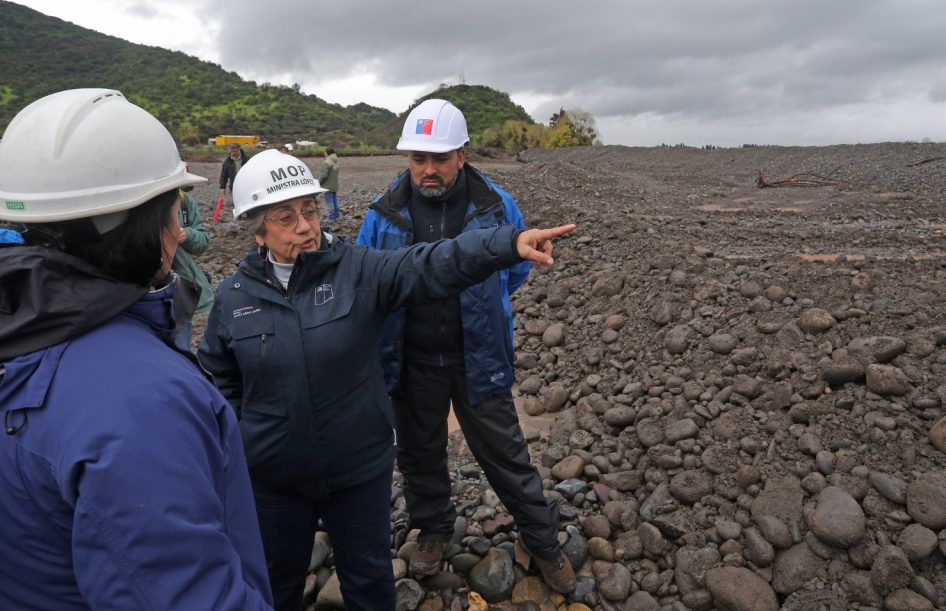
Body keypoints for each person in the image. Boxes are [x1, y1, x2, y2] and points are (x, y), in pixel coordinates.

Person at [197, 148, 573, 610]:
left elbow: (431, 262)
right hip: (275, 483)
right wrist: (248, 440)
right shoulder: (234, 297)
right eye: (285, 217)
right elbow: (219, 378)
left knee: (371, 585)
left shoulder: (358, 269)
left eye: (310, 210)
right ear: (257, 226)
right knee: (276, 585)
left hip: (357, 474)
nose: (306, 226)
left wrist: (504, 245)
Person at [0, 88, 273, 609]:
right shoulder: (144, 403)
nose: (178, 229)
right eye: (171, 209)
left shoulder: (21, 330)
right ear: (143, 225)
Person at [355, 99, 577, 593]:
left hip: (478, 356)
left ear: (463, 153)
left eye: (440, 158)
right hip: (410, 362)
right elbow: (369, 278)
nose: (428, 169)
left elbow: (515, 272)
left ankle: (543, 540)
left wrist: (481, 309)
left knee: (507, 454)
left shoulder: (497, 206)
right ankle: (434, 528)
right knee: (418, 454)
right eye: (418, 158)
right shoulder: (382, 214)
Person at [171, 184, 215, 351]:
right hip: (145, 292)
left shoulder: (183, 200)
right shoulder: (134, 200)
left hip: (181, 289)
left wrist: (187, 234)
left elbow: (202, 242)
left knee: (181, 350)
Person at [319, 147, 340, 222]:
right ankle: (337, 216)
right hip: (335, 184)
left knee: (330, 201)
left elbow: (323, 175)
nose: (324, 154)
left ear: (327, 153)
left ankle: (331, 218)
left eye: (325, 152)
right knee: (334, 200)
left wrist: (319, 183)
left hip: (328, 185)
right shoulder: (336, 161)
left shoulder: (326, 162)